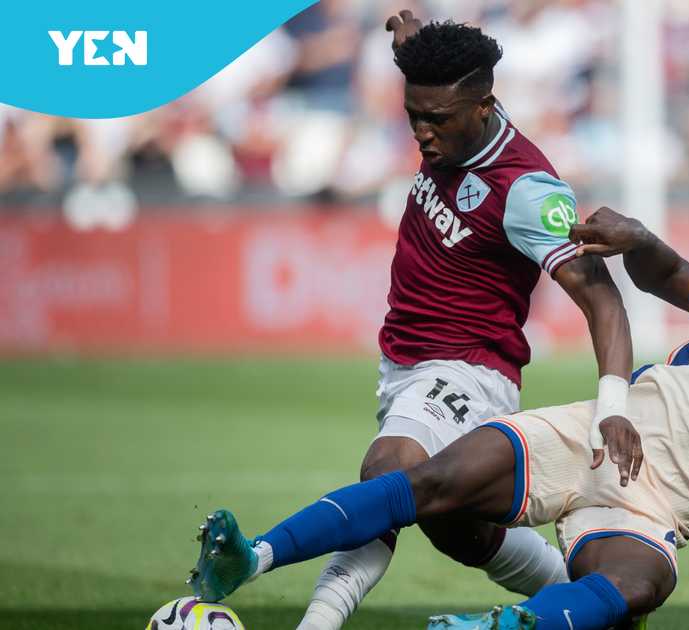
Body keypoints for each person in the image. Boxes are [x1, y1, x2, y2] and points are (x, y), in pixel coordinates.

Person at [187, 207, 689, 630]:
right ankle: (249, 558)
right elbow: (669, 277)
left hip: (658, 508)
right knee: (433, 480)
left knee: (642, 588)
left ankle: (507, 627)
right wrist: (638, 239)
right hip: (592, 436)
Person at [240, 13, 637, 630]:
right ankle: (591, 603)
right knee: (458, 532)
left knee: (386, 472)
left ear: (484, 105)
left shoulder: (528, 190)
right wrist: (413, 46)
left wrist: (614, 402)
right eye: (413, 116)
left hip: (469, 367)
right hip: (403, 357)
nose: (423, 135)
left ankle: (313, 619)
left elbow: (603, 301)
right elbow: (424, 69)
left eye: (438, 120)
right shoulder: (445, 102)